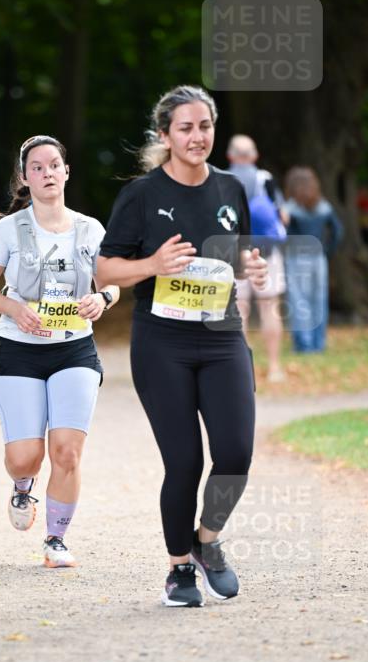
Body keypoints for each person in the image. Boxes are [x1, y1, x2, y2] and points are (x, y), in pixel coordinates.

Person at [96, 86, 267, 608]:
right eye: (186, 128)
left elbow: (234, 257)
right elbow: (104, 270)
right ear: (165, 135)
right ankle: (178, 571)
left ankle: (208, 541)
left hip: (221, 336)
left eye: (205, 127)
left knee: (235, 454)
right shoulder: (142, 195)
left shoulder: (232, 189)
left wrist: (251, 267)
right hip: (161, 342)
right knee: (185, 463)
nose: (198, 137)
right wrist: (152, 265)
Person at [0, 135, 119, 569]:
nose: (48, 173)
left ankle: (56, 539)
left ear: (66, 172)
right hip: (19, 350)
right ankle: (22, 485)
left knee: (68, 452)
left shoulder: (91, 229)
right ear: (25, 177)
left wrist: (103, 299)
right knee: (25, 456)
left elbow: (111, 281)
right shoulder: (8, 230)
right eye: (37, 167)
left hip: (75, 349)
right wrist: (14, 307)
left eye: (54, 165)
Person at [227, 134, 287, 382]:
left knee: (239, 309)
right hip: (267, 252)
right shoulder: (266, 179)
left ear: (230, 156)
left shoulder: (222, 179)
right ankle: (274, 368)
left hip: (233, 253)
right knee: (270, 307)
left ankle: (242, 369)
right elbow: (283, 218)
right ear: (254, 155)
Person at [282, 166, 344, 353]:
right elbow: (338, 232)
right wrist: (327, 251)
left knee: (299, 301)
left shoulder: (290, 208)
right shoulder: (324, 206)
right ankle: (318, 343)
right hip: (318, 258)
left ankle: (304, 344)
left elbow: (282, 235)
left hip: (296, 258)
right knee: (319, 300)